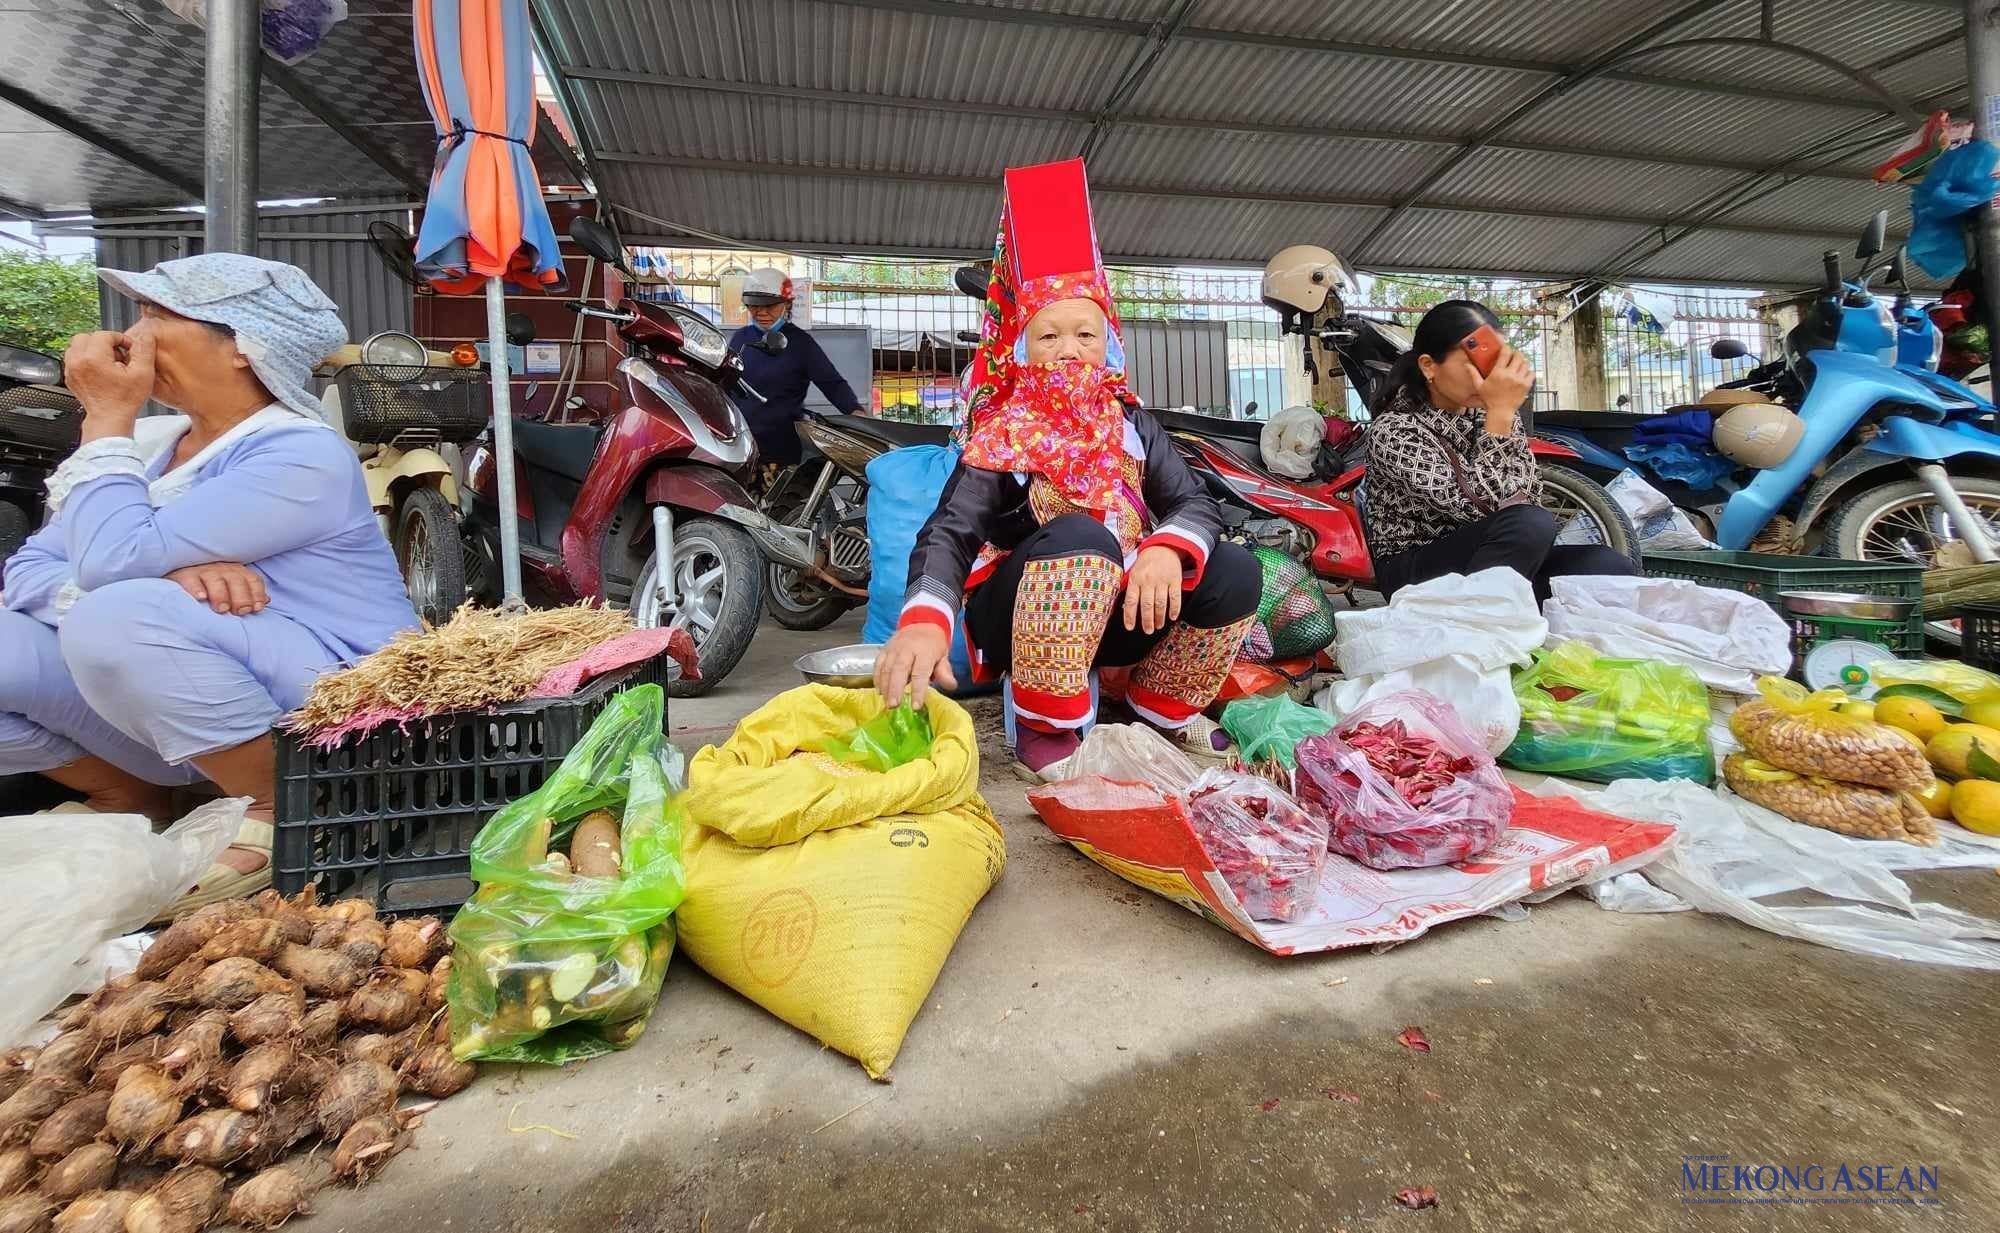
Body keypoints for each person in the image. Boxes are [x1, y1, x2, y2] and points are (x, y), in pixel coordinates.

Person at [0, 254, 419, 912]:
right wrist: (164, 570)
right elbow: (28, 570)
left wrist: (106, 420)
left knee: (119, 616)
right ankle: (131, 793)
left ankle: (284, 805)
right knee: (69, 622)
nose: (133, 337)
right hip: (204, 681)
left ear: (243, 348)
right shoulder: (152, 443)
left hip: (334, 693)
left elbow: (109, 559)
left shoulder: (300, 453)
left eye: (158, 317)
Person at [873, 158, 1259, 778]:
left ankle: (1155, 714)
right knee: (1083, 536)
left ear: (1110, 345)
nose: (1069, 352)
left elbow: (1194, 502)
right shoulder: (1004, 429)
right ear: (1022, 350)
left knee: (1235, 568)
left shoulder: (1132, 422)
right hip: (1019, 616)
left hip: (1118, 614)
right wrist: (923, 620)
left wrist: (1166, 548)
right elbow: (951, 530)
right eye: (1048, 337)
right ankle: (1045, 726)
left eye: (1085, 334)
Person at [1364, 299, 1640, 603]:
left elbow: (1527, 493)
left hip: (1495, 555)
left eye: (1491, 363)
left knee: (1609, 567)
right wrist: (1499, 415)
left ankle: (1501, 610)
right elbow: (1475, 506)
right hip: (1415, 569)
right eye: (1472, 362)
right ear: (1429, 366)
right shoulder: (1394, 429)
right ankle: (1481, 619)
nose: (1487, 376)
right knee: (1531, 524)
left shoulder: (1494, 414)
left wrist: (1499, 416)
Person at [728, 268, 865, 468]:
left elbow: (832, 383)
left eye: (770, 306)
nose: (761, 313)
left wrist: (855, 413)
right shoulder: (740, 338)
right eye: (754, 306)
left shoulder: (801, 343)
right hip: (740, 443)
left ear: (787, 304)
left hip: (781, 444)